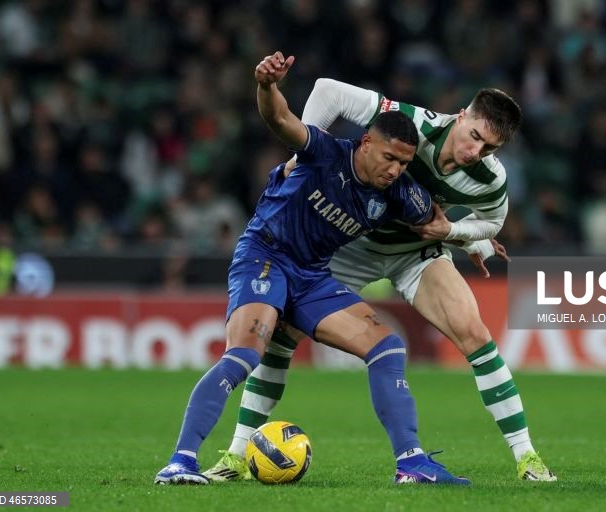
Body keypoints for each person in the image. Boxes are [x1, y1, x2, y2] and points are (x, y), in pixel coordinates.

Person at [205, 78, 557, 482]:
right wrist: (302, 158)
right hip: (351, 247)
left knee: (475, 334)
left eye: (489, 148)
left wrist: (455, 235)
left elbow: (494, 221)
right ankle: (235, 457)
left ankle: (527, 458)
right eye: (474, 136)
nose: (475, 151)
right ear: (462, 116)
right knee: (281, 339)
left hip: (414, 254)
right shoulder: (412, 123)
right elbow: (327, 91)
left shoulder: (490, 179)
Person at [155, 52, 470, 485]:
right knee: (245, 355)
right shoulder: (325, 152)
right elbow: (281, 120)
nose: (394, 169)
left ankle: (412, 463)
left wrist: (481, 239)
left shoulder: (400, 192)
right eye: (389, 158)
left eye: (403, 163)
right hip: (265, 256)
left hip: (312, 276)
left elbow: (435, 222)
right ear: (365, 143)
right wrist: (267, 87)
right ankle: (180, 462)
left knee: (388, 348)